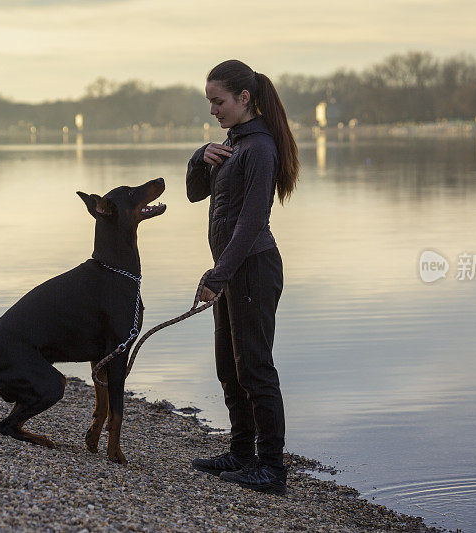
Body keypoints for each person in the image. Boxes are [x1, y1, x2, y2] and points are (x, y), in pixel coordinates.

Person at [186, 59, 299, 495]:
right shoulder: (232, 146)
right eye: (210, 102)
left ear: (244, 98)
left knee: (255, 368)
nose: (213, 110)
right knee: (228, 367)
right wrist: (200, 156)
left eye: (219, 101)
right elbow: (197, 194)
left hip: (253, 268)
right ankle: (240, 453)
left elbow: (252, 222)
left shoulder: (260, 149)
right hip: (232, 269)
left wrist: (219, 274)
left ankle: (271, 468)